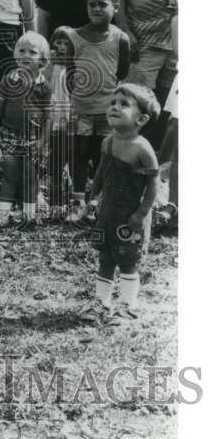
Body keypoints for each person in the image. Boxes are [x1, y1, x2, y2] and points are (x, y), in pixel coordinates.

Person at [79, 83, 161, 325]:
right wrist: (93, 198)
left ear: (142, 119)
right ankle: (100, 302)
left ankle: (126, 306)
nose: (114, 107)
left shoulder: (142, 149)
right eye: (113, 103)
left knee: (127, 261)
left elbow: (153, 184)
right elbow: (102, 173)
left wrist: (142, 213)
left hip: (130, 217)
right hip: (108, 213)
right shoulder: (108, 142)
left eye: (124, 104)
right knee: (105, 257)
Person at [67, 0, 130, 215]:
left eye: (102, 4)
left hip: (107, 110)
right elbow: (70, 74)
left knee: (103, 154)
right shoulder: (74, 36)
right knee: (79, 153)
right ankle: (78, 200)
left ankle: (98, 200)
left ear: (115, 6)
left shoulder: (120, 38)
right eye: (91, 4)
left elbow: (121, 72)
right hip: (81, 109)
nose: (96, 9)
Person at [0, 31, 51, 225]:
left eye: (32, 52)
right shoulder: (9, 79)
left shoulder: (44, 87)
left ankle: (29, 214)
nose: (25, 55)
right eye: (21, 50)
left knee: (30, 176)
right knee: (10, 174)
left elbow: (48, 117)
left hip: (32, 138)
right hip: (9, 135)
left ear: (42, 58)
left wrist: (43, 141)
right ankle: (4, 213)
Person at [46, 26, 75, 218]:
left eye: (67, 43)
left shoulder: (75, 67)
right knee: (55, 159)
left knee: (72, 158)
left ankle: (73, 198)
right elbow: (45, 83)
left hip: (70, 120)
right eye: (58, 42)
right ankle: (56, 202)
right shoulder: (51, 66)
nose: (62, 47)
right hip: (53, 120)